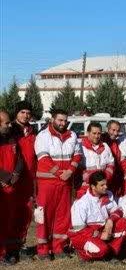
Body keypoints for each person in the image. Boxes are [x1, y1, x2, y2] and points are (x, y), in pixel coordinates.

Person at [33, 109, 81, 259]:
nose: (62, 123)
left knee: (63, 215)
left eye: (65, 120)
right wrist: (61, 173)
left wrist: (70, 170)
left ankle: (59, 247)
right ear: (52, 119)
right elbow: (43, 158)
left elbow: (77, 154)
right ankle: (43, 249)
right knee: (44, 215)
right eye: (60, 120)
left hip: (65, 182)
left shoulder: (72, 135)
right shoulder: (43, 136)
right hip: (48, 182)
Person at [68, 171, 126, 262]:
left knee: (123, 222)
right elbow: (79, 229)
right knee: (101, 250)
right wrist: (100, 235)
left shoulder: (108, 194)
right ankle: (82, 253)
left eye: (106, 184)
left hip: (102, 229)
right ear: (93, 187)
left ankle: (111, 253)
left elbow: (118, 210)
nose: (106, 187)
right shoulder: (81, 203)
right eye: (102, 185)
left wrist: (110, 220)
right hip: (83, 234)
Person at [8, 101, 36, 262]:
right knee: (11, 213)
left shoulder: (32, 132)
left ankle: (20, 244)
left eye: (28, 112)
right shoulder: (10, 131)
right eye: (22, 112)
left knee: (26, 213)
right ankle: (9, 247)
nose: (25, 115)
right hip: (14, 178)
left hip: (29, 179)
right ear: (16, 113)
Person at [0, 111, 23, 263]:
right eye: (6, 123)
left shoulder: (12, 138)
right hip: (2, 185)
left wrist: (16, 174)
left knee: (6, 221)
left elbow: (20, 158)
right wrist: (5, 178)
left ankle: (4, 252)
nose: (10, 125)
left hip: (10, 186)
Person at [76, 121, 115, 198]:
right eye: (94, 133)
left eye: (99, 133)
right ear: (88, 133)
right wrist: (90, 178)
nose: (97, 136)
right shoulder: (80, 147)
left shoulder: (105, 146)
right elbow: (77, 169)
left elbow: (111, 163)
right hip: (85, 188)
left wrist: (105, 178)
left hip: (102, 188)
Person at [102, 119, 123, 195]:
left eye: (117, 131)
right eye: (113, 130)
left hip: (114, 178)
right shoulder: (102, 142)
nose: (115, 133)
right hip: (105, 178)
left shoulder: (116, 142)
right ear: (107, 129)